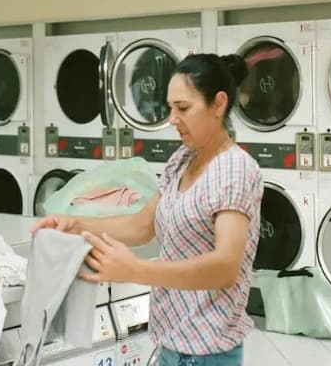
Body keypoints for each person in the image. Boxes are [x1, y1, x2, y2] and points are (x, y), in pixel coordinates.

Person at [32, 54, 263, 366]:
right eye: (170, 108)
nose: (172, 118)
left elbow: (225, 267)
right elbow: (143, 225)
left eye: (183, 108)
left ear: (218, 104)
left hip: (209, 353)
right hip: (171, 343)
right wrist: (73, 223)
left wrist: (136, 271)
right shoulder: (182, 161)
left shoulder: (234, 170)